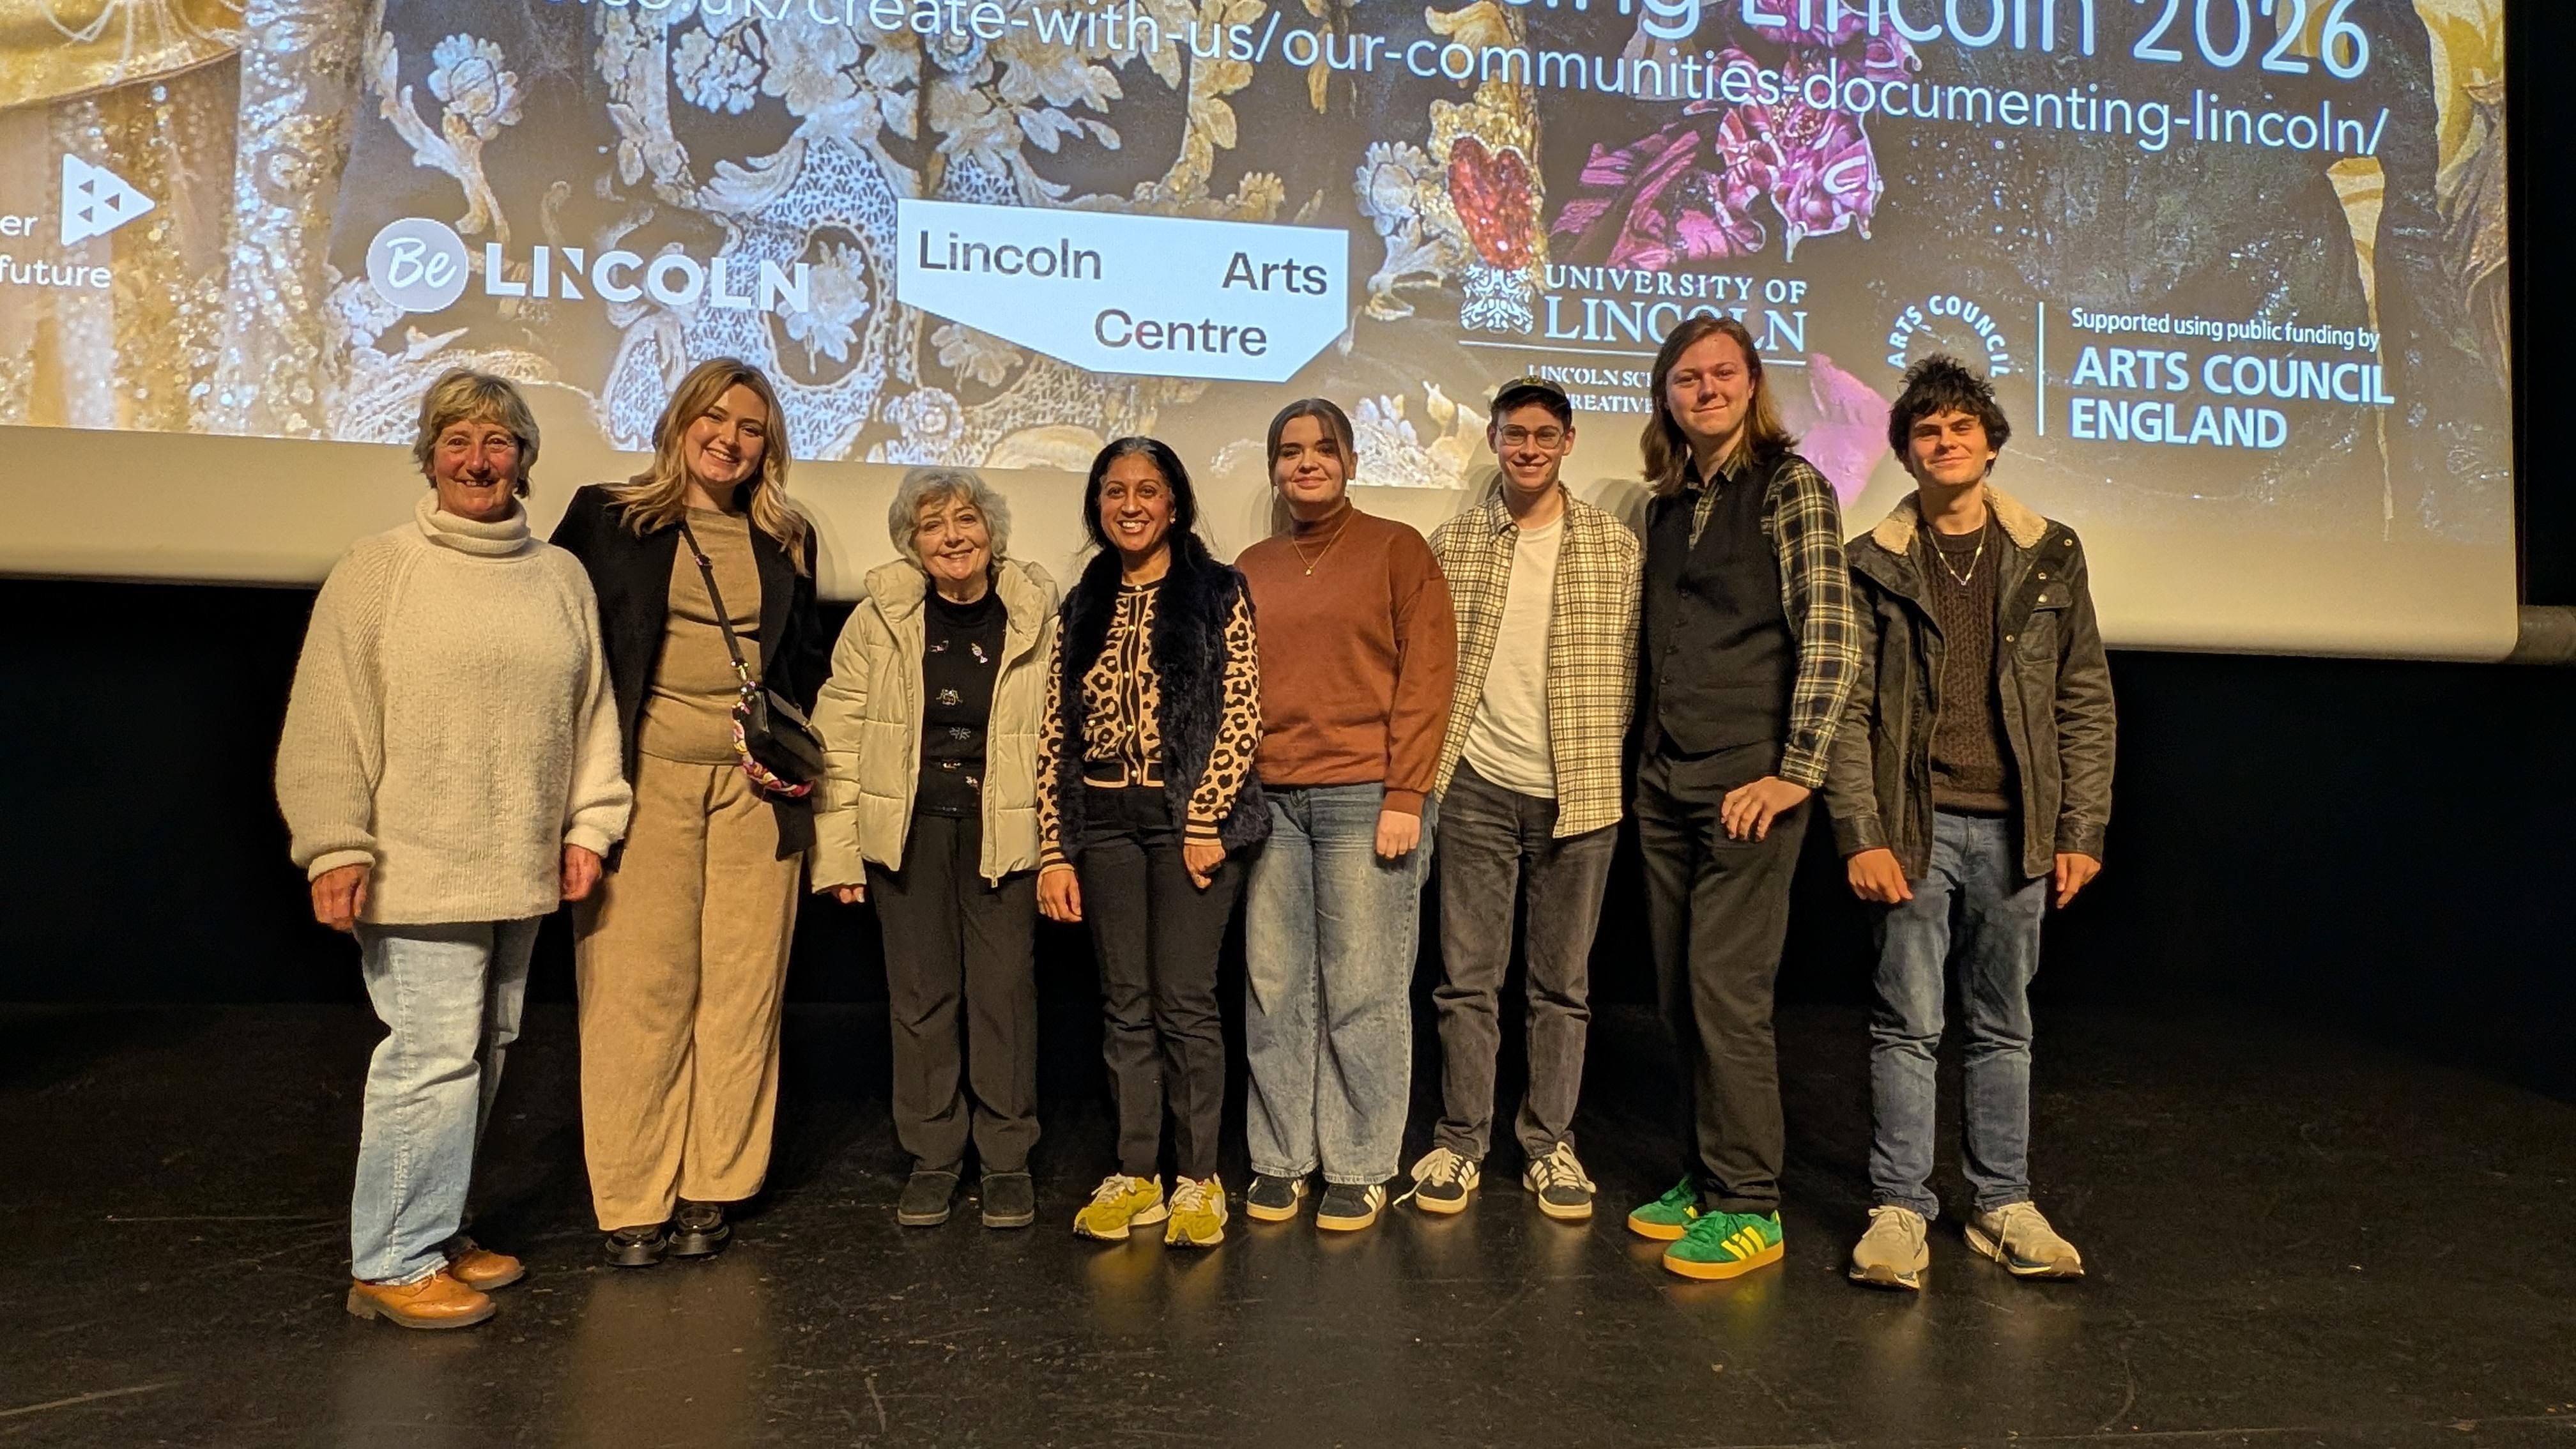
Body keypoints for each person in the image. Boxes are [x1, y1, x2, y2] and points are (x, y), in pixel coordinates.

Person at [279, 369, 631, 1329]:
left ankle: (434, 1230)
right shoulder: (379, 569)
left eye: (498, 442)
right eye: (458, 441)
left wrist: (589, 826)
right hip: (415, 860)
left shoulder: (559, 577)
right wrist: (334, 845)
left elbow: (591, 714)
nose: (478, 461)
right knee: (431, 1057)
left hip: (519, 860)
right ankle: (392, 1261)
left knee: (486, 1049)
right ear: (429, 457)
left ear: (525, 460)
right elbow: (328, 721)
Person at [1827, 355, 2115, 1290]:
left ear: (1991, 444)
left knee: (2003, 1026)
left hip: (2017, 828)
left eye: (1961, 427)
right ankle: (1899, 1209)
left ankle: (2002, 1204)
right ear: (1906, 453)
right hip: (1913, 826)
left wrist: (2081, 829)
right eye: (1926, 431)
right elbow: (1848, 708)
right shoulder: (1870, 561)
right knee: (1907, 1024)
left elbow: (2083, 696)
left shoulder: (2050, 551)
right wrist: (1862, 832)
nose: (1945, 442)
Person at [551, 357, 829, 1267]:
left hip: (755, 795)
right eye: (714, 418)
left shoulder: (786, 536)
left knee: (743, 991)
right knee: (639, 990)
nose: (729, 439)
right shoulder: (608, 517)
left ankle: (714, 1182)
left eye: (751, 428)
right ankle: (634, 1196)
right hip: (646, 784)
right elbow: (560, 650)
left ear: (768, 447)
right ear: (679, 422)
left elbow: (800, 665)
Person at [1624, 316, 1859, 1280]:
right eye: (1687, 377)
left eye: (1723, 373)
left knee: (1727, 993)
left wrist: (1796, 771)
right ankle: (1707, 1172)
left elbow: (1831, 632)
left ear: (1753, 385)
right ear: (1666, 396)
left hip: (1749, 782)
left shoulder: (1791, 486)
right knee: (1679, 993)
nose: (1706, 389)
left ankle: (1751, 1204)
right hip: (1665, 778)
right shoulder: (1667, 506)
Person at [1406, 378, 1640, 1223]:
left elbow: (1633, 669)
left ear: (1568, 442)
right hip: (1475, 784)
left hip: (1581, 792)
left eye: (1545, 435)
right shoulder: (1456, 541)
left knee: (1561, 987)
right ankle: (1462, 1141)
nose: (1530, 449)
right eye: (1515, 434)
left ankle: (1549, 1145)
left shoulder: (1615, 546)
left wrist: (1600, 761)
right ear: (1495, 441)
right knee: (1466, 982)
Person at [809, 468, 1059, 1231]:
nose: (953, 537)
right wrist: (838, 853)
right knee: (921, 1001)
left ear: (993, 531)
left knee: (1004, 997)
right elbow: (838, 737)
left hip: (1004, 831)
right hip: (908, 834)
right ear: (910, 543)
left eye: (966, 520)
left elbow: (1063, 736)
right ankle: (935, 1156)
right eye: (932, 526)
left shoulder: (1037, 613)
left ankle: (1007, 1159)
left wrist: (1060, 848)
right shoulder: (878, 619)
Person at [1236, 399, 1457, 1233]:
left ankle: (1360, 1164)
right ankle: (1280, 1158)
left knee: (1364, 988)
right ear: (1274, 468)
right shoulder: (1251, 565)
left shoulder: (1398, 549)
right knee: (1275, 987)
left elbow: (1429, 674)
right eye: (1290, 451)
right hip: (1270, 802)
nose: (1306, 463)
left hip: (1368, 795)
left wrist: (1407, 794)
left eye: (1323, 449)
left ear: (1352, 461)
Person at [1038, 438, 1264, 1250]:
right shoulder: (1082, 601)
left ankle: (1199, 1180)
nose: (1130, 504)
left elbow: (1242, 711)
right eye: (1114, 490)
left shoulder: (1216, 589)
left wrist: (1205, 818)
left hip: (1186, 823)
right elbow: (1055, 731)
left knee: (1185, 1003)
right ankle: (1136, 1174)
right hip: (1103, 824)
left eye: (1147, 489)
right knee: (1125, 1005)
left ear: (1175, 504)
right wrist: (1055, 848)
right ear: (1098, 504)